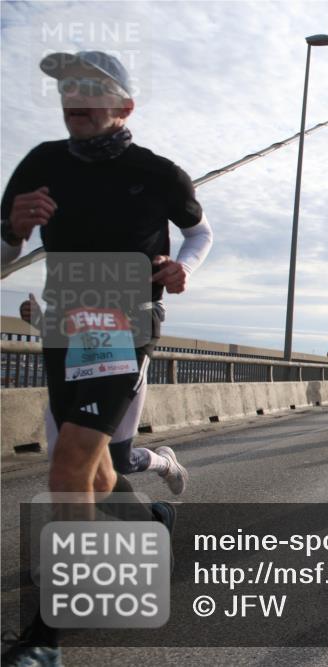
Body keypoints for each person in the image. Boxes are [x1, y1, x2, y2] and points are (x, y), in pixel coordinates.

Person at [0, 50, 213, 666]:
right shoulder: (40, 163)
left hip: (122, 323)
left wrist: (183, 267)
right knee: (90, 467)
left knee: (67, 466)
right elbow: (6, 252)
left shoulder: (157, 172)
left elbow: (199, 230)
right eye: (67, 87)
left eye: (92, 87)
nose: (76, 96)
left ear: (124, 106)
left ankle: (44, 640)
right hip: (65, 321)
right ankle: (152, 522)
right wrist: (11, 227)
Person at [19, 294, 188, 494]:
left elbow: (152, 305)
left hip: (120, 363)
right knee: (69, 461)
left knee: (119, 461)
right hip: (80, 369)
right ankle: (151, 517)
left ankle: (165, 465)